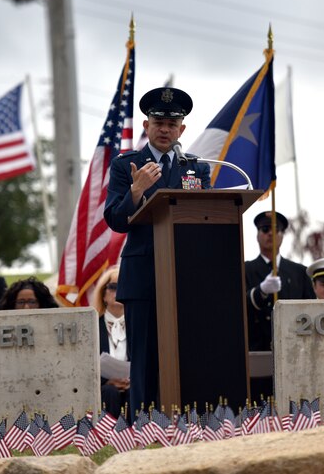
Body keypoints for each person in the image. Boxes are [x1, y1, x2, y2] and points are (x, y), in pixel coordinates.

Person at [103, 86, 211, 415]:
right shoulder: (127, 165)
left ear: (182, 129)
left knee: (188, 353)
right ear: (146, 127)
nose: (165, 129)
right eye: (158, 122)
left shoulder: (196, 168)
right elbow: (116, 221)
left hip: (185, 274)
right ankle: (143, 426)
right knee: (145, 356)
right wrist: (136, 190)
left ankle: (190, 420)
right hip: (143, 274)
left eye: (172, 123)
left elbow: (205, 217)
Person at [244, 211, 316, 351]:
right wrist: (260, 292)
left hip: (294, 349)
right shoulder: (245, 270)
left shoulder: (300, 272)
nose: (270, 233)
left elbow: (311, 311)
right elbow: (238, 308)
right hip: (257, 349)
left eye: (276, 230)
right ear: (257, 235)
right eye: (265, 229)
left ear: (282, 236)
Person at [92, 266, 130, 418]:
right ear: (103, 294)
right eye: (113, 287)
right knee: (109, 392)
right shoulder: (92, 325)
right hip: (104, 388)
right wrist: (106, 381)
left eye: (124, 286)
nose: (119, 291)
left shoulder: (138, 326)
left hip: (132, 384)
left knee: (135, 391)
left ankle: (138, 436)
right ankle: (108, 437)